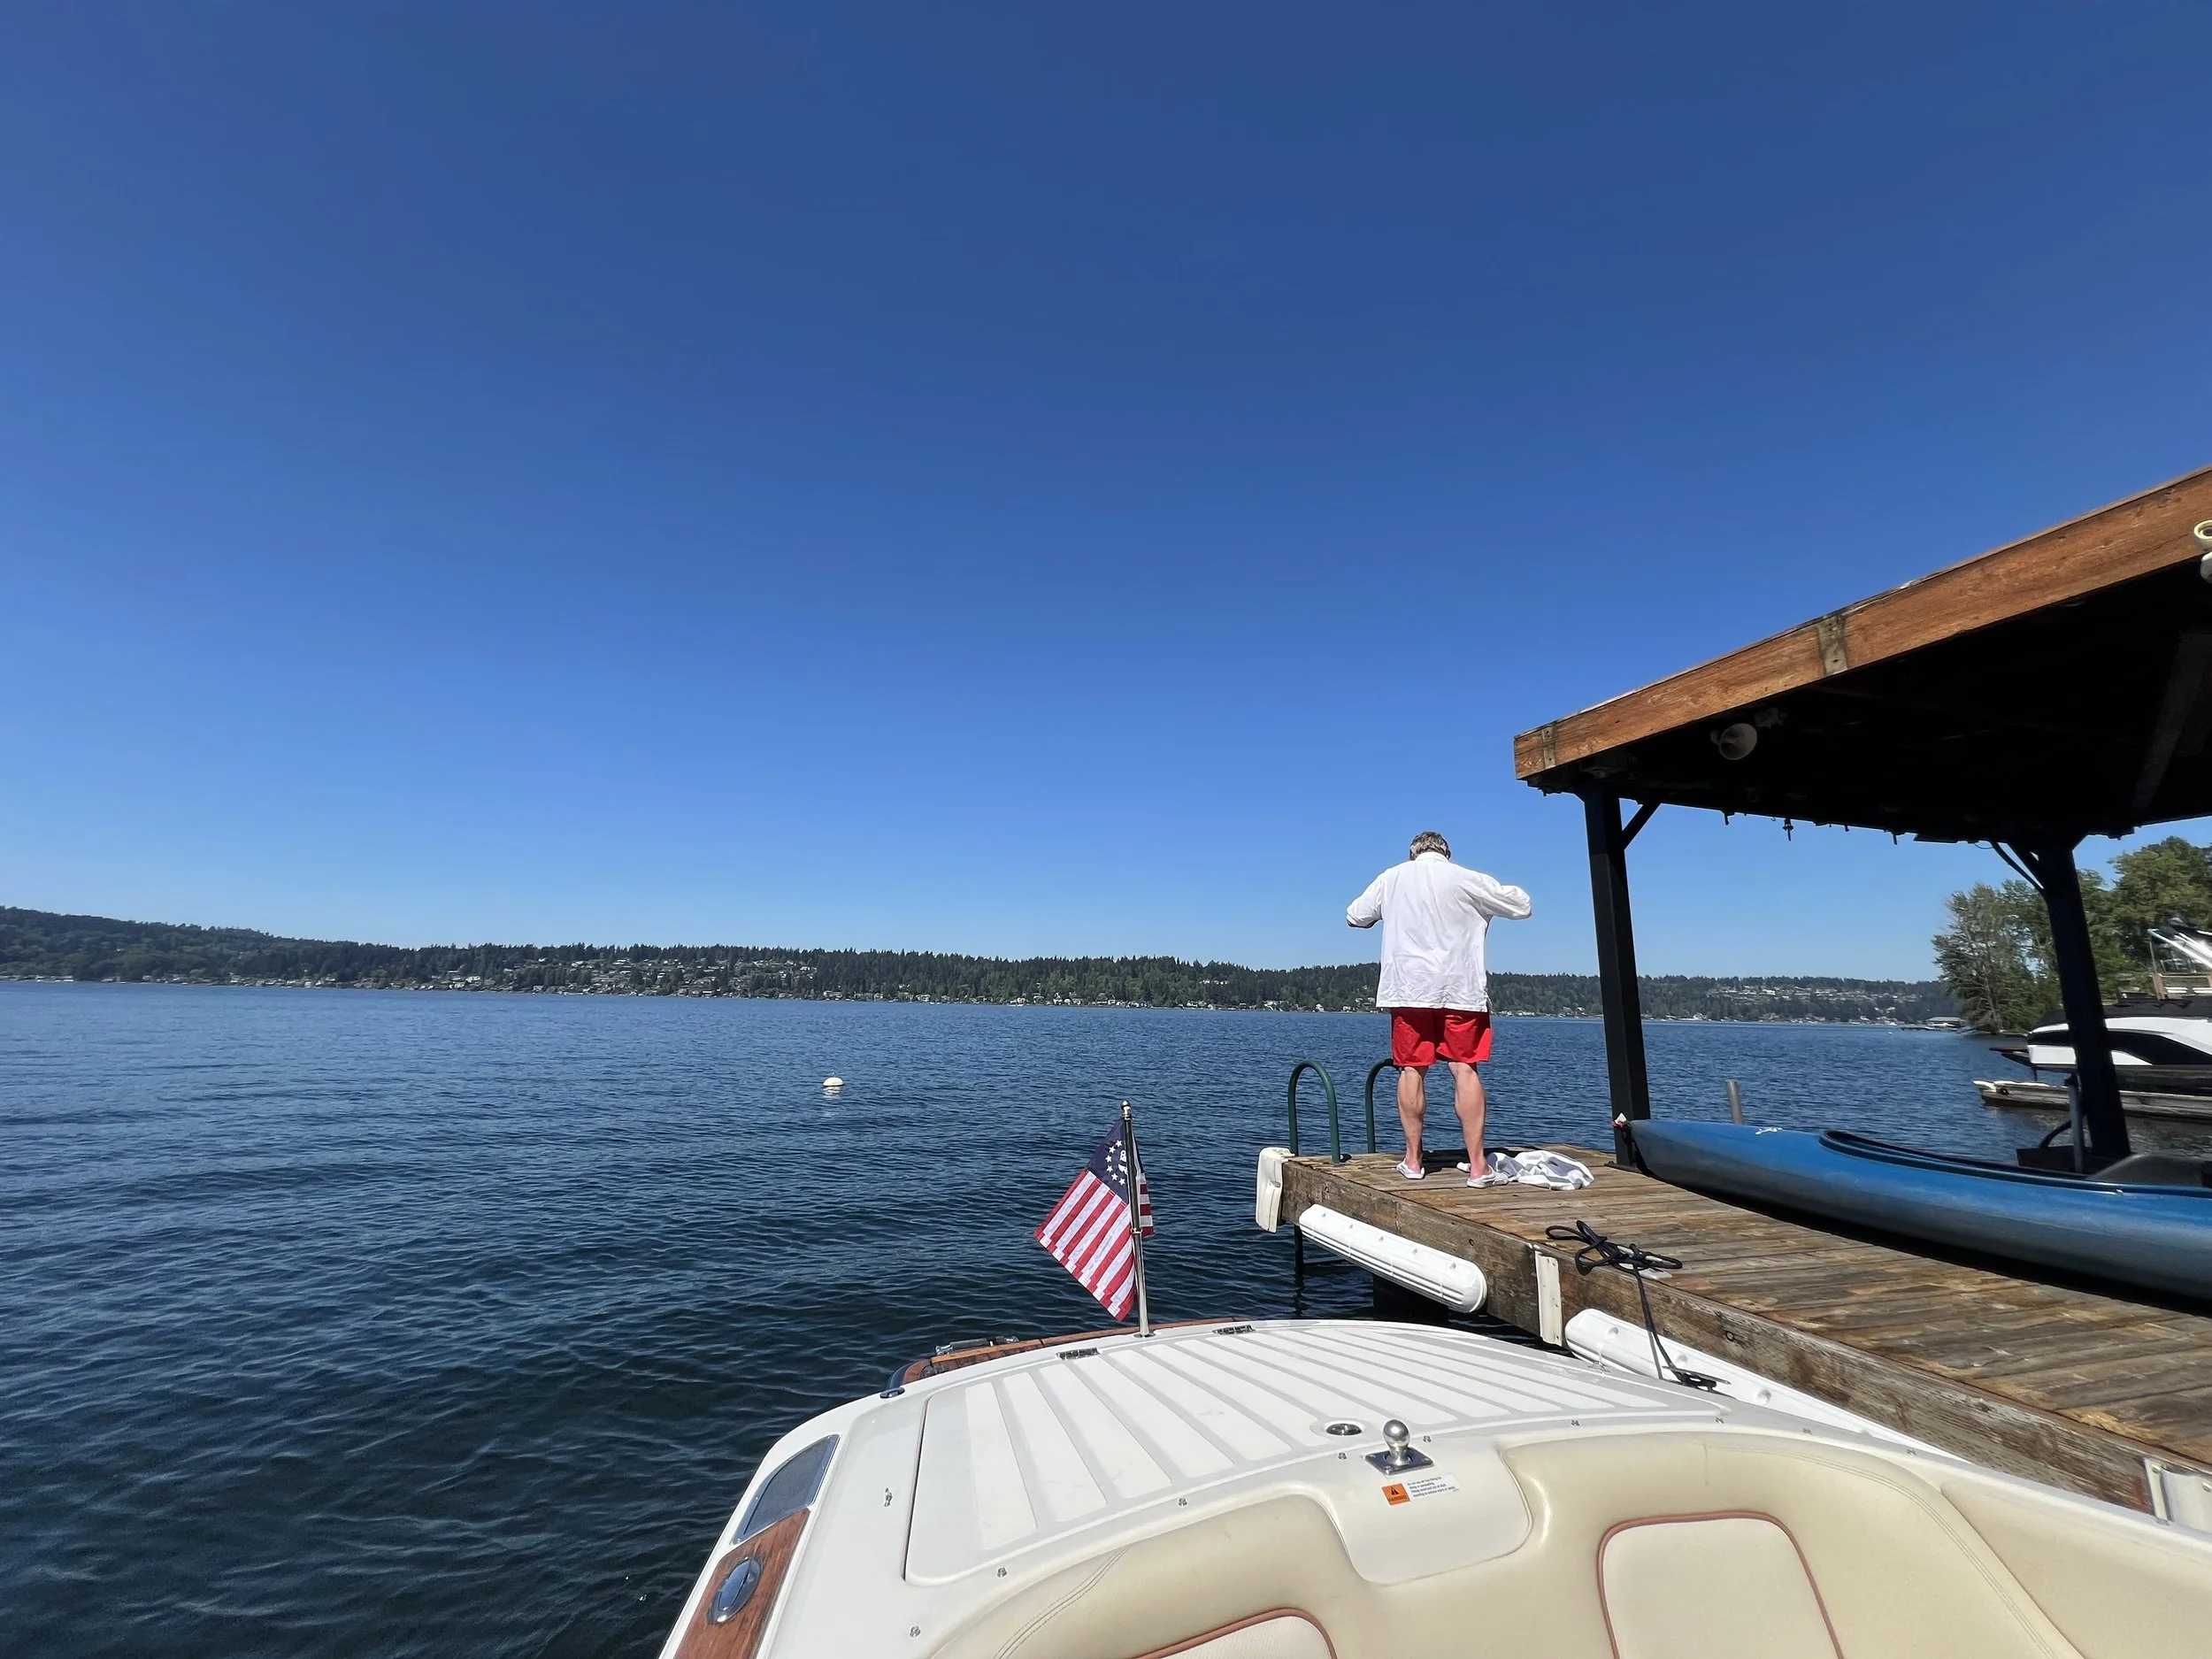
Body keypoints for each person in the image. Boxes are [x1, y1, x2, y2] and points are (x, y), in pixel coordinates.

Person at [1347, 831, 1532, 1186]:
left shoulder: (1392, 878)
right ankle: (1478, 1167)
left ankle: (1413, 1162)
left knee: (1412, 1070)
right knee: (1465, 1070)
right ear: (1447, 853)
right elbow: (1521, 906)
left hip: (1408, 990)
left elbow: (1355, 916)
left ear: (1413, 854)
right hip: (1461, 990)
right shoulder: (1467, 878)